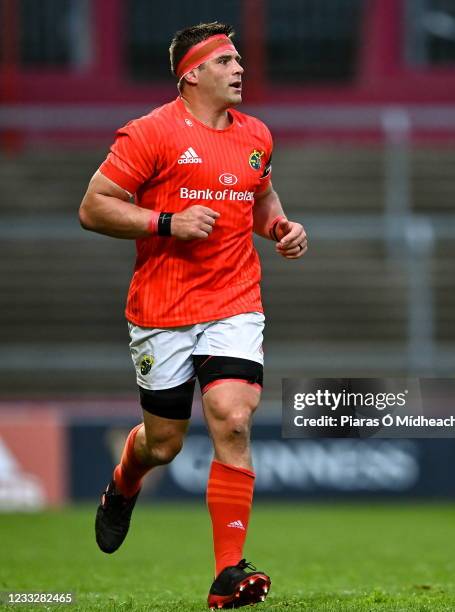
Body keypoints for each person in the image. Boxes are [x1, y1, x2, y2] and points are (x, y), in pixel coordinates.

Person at [79, 21, 307, 610]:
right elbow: (93, 207)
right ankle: (124, 482)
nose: (240, 69)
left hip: (235, 300)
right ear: (192, 73)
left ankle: (228, 573)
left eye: (239, 60)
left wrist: (281, 227)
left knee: (232, 418)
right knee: (164, 445)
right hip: (162, 308)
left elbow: (260, 201)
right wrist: (166, 221)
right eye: (226, 60)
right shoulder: (149, 134)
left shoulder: (256, 135)